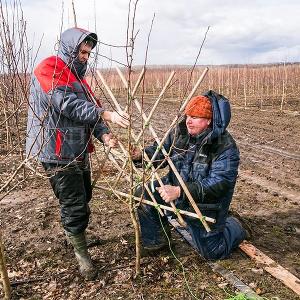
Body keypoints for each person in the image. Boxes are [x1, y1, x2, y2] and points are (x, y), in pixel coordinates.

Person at [26, 27, 129, 280]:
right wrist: (106, 113)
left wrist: (104, 134)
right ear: (70, 49)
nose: (85, 57)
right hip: (57, 150)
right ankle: (82, 257)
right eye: (82, 52)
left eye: (88, 53)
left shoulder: (79, 80)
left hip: (78, 148)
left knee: (84, 195)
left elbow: (89, 109)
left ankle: (75, 235)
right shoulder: (49, 68)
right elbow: (68, 104)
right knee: (74, 204)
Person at [131, 91, 248, 260]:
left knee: (214, 252)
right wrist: (140, 155)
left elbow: (219, 183)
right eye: (188, 115)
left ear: (208, 120)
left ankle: (235, 225)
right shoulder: (179, 133)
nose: (188, 120)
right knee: (143, 194)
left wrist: (180, 191)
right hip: (175, 188)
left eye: (195, 116)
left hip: (206, 203)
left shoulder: (224, 146)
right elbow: (160, 153)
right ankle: (156, 242)